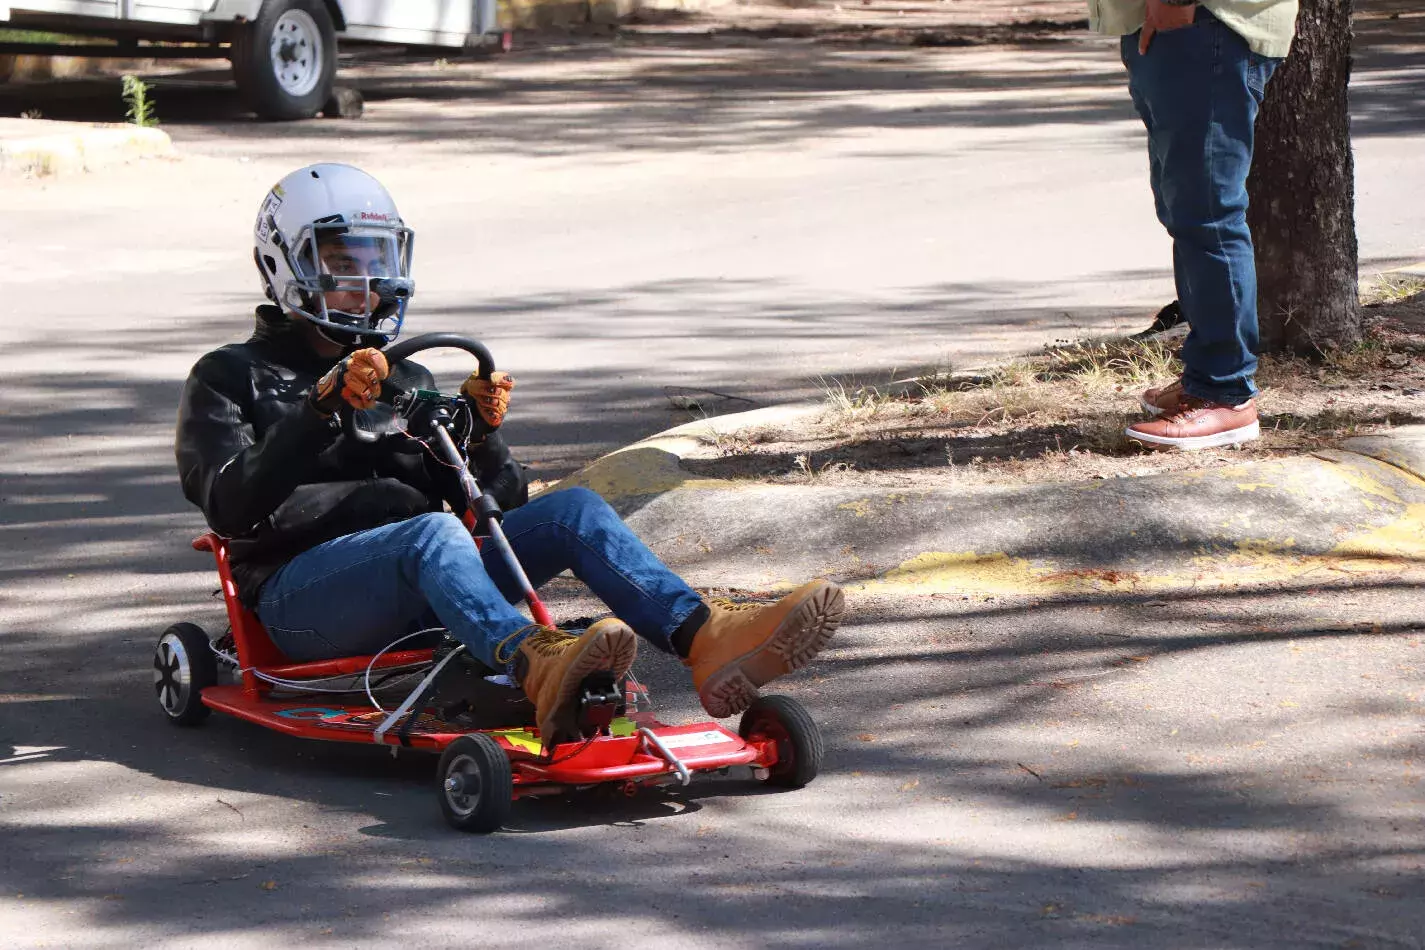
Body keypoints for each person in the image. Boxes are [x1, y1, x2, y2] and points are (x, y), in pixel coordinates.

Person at [175, 163, 844, 744]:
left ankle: (705, 638)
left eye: (379, 261)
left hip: (427, 581)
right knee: (432, 533)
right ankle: (536, 662)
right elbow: (231, 505)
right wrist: (317, 412)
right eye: (344, 263)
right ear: (282, 266)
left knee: (570, 511)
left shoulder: (402, 379)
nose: (368, 283)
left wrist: (481, 430)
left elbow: (496, 503)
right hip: (302, 606)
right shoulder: (230, 375)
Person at [1092, 0, 1297, 449]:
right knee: (1187, 214)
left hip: (1201, 22)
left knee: (1208, 215)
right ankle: (1208, 378)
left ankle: (1227, 397)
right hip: (1179, 24)